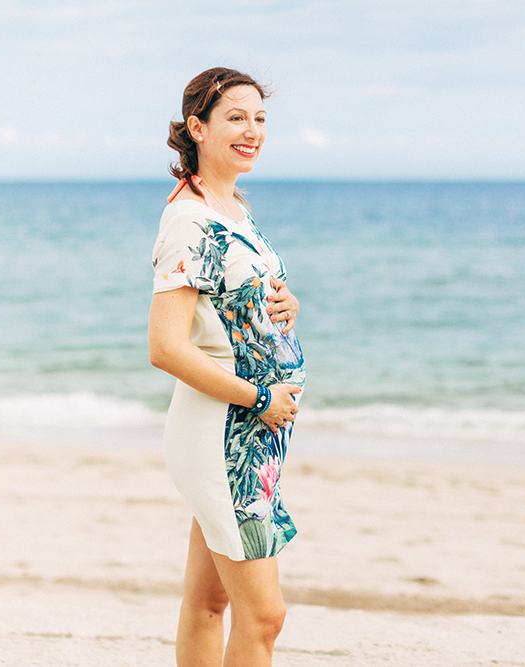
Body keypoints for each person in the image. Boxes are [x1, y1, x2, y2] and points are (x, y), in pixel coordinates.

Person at [148, 67, 306, 667]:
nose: (253, 131)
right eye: (236, 117)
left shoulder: (231, 207)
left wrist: (288, 302)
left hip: (248, 436)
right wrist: (260, 399)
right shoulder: (190, 221)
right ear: (198, 127)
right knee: (264, 617)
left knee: (208, 601)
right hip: (224, 435)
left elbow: (231, 307)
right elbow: (166, 347)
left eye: (260, 119)